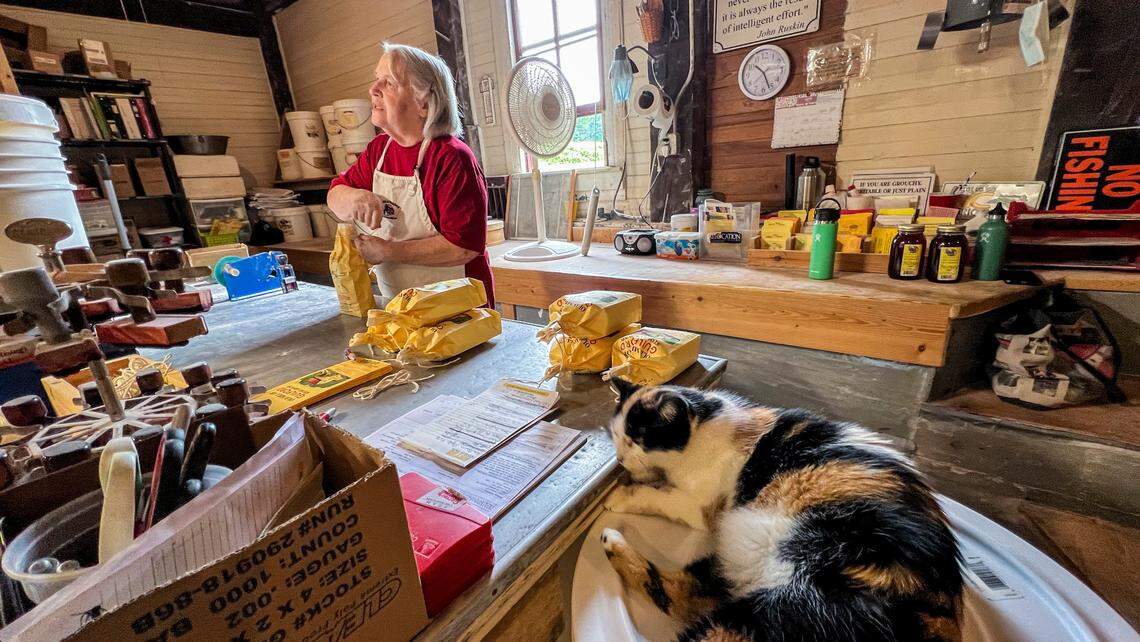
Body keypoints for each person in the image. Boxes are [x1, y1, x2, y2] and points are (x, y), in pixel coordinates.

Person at [327, 43, 493, 306]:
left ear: (424, 104)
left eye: (389, 83)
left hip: (456, 306)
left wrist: (388, 251)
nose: (373, 89)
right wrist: (353, 197)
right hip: (401, 304)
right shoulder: (378, 151)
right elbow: (334, 195)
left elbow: (463, 247)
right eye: (376, 79)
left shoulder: (451, 158)